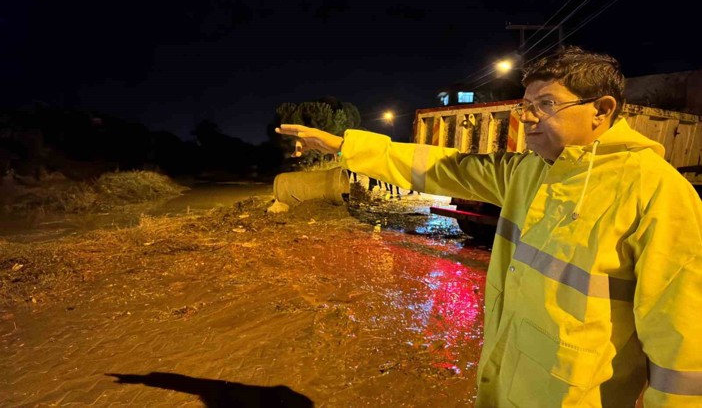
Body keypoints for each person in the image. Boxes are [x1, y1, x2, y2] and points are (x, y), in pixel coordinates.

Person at [276, 46, 702, 407]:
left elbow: (682, 344)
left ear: (601, 110)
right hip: (507, 381)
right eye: (527, 106)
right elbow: (441, 166)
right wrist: (344, 144)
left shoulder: (657, 193)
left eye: (547, 105)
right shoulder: (530, 172)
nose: (529, 117)